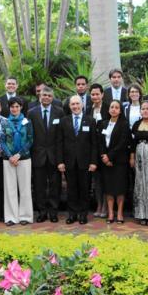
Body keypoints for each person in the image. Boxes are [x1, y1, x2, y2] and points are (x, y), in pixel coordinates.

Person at [57, 95, 98, 225]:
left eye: (77, 104)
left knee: (84, 189)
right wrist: (60, 161)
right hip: (69, 162)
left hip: (85, 162)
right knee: (71, 189)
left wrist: (93, 162)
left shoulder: (90, 121)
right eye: (72, 104)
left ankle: (83, 214)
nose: (75, 106)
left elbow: (94, 144)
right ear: (69, 106)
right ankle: (72, 214)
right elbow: (59, 142)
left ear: (82, 105)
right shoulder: (63, 121)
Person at [27, 86, 64, 223]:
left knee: (55, 185)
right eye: (44, 95)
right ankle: (41, 212)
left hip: (54, 155)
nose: (46, 97)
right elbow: (29, 135)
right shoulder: (31, 113)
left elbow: (61, 136)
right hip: (38, 155)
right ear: (39, 96)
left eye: (49, 95)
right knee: (39, 186)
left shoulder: (59, 112)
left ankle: (53, 212)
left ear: (52, 97)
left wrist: (61, 158)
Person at [0, 98, 34, 226]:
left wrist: (19, 155)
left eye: (17, 106)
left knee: (25, 188)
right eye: (12, 107)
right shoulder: (4, 122)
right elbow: (2, 140)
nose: (14, 109)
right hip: (8, 159)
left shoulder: (27, 122)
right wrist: (10, 156)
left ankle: (25, 216)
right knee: (10, 189)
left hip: (24, 158)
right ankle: (11, 217)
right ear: (9, 108)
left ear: (21, 107)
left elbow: (30, 140)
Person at [98, 100, 130, 224]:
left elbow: (122, 143)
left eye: (117, 107)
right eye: (112, 107)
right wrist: (104, 157)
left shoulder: (124, 124)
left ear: (120, 110)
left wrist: (110, 157)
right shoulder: (103, 123)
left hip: (119, 161)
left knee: (120, 188)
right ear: (108, 109)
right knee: (109, 188)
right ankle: (111, 213)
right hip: (105, 162)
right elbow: (100, 142)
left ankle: (120, 213)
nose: (114, 109)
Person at [86, 83, 109, 218]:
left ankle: (105, 206)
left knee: (106, 180)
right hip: (91, 148)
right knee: (97, 181)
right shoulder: (88, 109)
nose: (95, 96)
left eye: (97, 94)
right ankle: (99, 204)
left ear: (102, 95)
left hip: (104, 148)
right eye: (93, 94)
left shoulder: (107, 108)